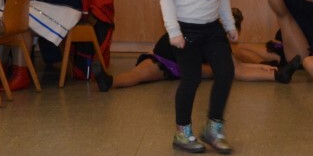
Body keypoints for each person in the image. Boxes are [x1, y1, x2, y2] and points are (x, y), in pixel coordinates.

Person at [160, 0, 237, 154]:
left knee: (226, 72)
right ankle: (182, 132)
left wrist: (229, 24)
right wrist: (174, 31)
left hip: (212, 28)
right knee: (191, 79)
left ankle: (214, 128)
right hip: (187, 30)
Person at [96, 8, 287, 91]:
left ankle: (275, 71)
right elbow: (239, 69)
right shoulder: (209, 30)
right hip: (165, 59)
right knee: (138, 74)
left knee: (220, 68)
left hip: (187, 64)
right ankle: (109, 82)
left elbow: (238, 68)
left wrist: (269, 69)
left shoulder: (217, 41)